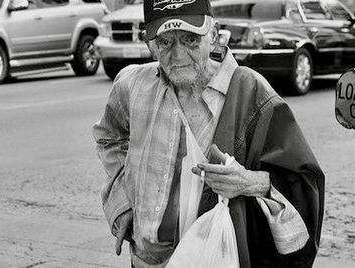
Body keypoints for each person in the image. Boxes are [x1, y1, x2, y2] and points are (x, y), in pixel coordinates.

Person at [93, 0, 325, 267]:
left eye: (191, 39)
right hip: (144, 260)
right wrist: (121, 203)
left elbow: (302, 185)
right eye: (165, 42)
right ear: (150, 45)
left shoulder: (251, 93)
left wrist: (248, 181)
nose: (178, 55)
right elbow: (109, 137)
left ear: (213, 36)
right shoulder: (131, 85)